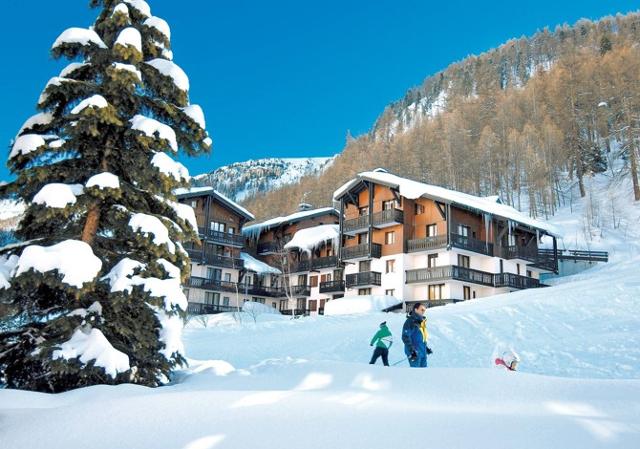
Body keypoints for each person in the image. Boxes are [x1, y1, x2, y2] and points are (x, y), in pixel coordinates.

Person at [402, 302, 432, 368]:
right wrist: (412, 351)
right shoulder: (410, 322)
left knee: (424, 375)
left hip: (422, 352)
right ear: (416, 310)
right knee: (415, 374)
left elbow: (421, 337)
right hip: (415, 353)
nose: (423, 311)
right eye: (422, 309)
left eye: (424, 310)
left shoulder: (421, 322)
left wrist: (426, 348)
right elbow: (405, 337)